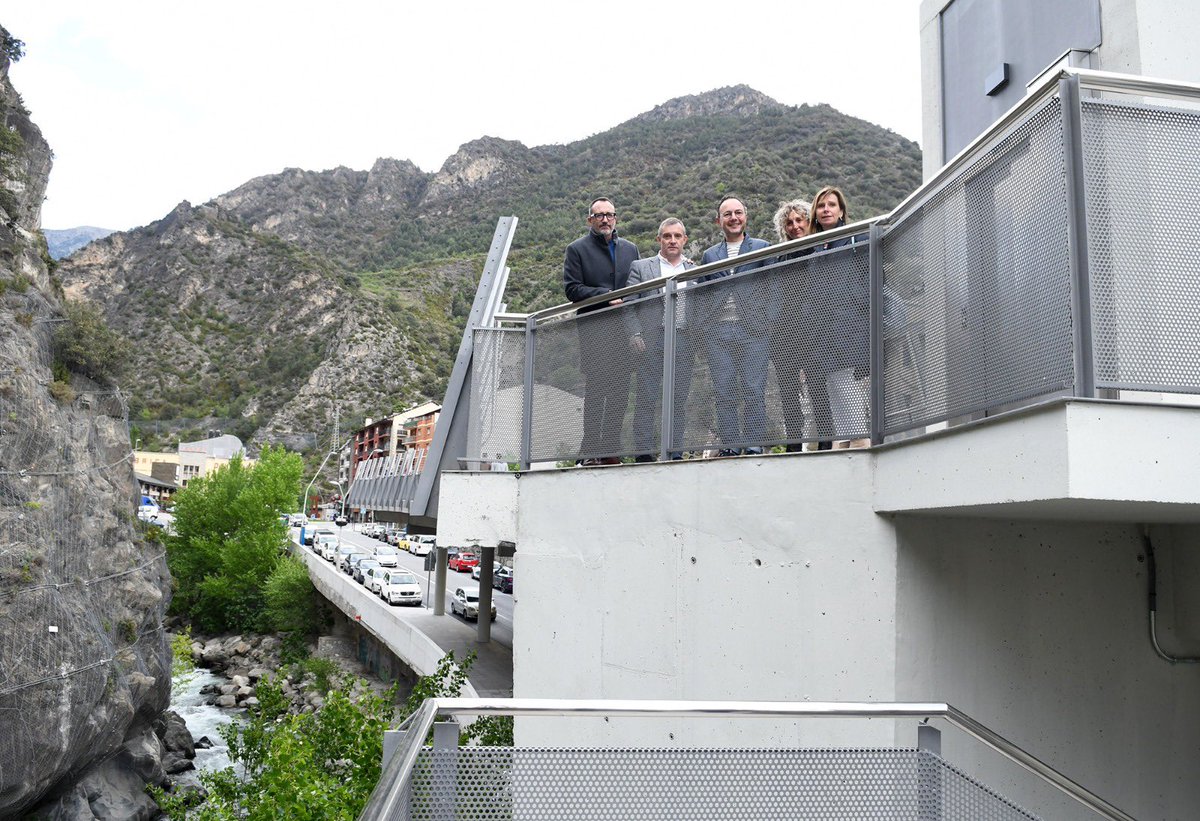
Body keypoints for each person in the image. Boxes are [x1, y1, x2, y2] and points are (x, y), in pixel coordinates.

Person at [563, 197, 640, 465]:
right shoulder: (576, 249)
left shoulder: (631, 249)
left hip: (625, 331)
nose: (605, 219)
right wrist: (605, 295)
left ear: (616, 218)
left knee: (620, 393)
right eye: (599, 215)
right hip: (594, 331)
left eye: (609, 215)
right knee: (596, 393)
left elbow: (639, 284)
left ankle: (609, 451)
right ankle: (590, 452)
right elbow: (572, 289)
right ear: (590, 220)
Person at [695, 196, 773, 456]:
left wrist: (767, 323)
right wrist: (704, 328)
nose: (733, 218)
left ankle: (752, 445)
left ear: (745, 217)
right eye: (727, 214)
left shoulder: (762, 247)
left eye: (738, 212)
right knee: (724, 391)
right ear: (719, 220)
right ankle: (729, 445)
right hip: (717, 333)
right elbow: (702, 294)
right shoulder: (709, 255)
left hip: (753, 331)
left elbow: (774, 287)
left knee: (753, 388)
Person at [624, 218, 696, 461]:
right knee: (647, 397)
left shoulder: (693, 269)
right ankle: (644, 453)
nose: (672, 240)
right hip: (651, 341)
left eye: (677, 236)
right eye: (667, 236)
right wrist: (634, 333)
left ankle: (674, 451)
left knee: (678, 399)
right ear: (659, 240)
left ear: (685, 240)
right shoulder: (641, 267)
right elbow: (628, 304)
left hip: (684, 340)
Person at [804, 185, 870, 449]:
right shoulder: (817, 247)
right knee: (834, 387)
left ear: (841, 211)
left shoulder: (857, 238)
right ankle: (843, 443)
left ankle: (859, 442)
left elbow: (872, 276)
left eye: (831, 205)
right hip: (822, 331)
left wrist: (856, 304)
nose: (826, 209)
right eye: (821, 206)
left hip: (849, 326)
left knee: (846, 385)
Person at [770, 199, 813, 452]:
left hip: (815, 330)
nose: (795, 226)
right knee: (788, 391)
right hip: (784, 333)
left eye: (800, 220)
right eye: (789, 222)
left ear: (809, 222)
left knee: (818, 387)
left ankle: (827, 441)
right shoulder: (779, 256)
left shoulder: (820, 249)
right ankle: (793, 445)